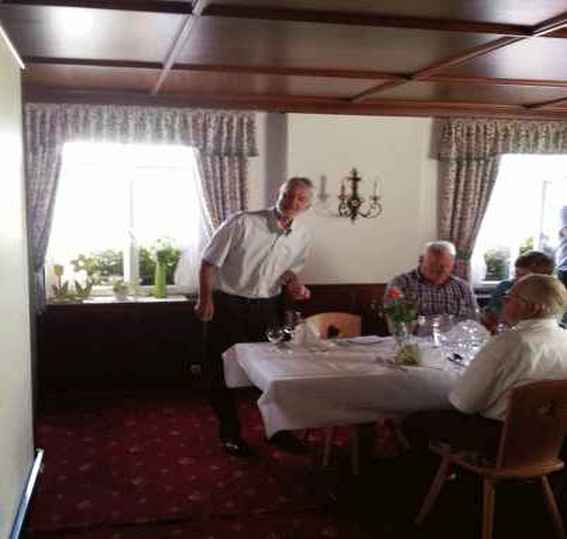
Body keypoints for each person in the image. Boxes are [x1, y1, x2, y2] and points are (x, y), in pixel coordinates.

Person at [194, 177, 313, 457]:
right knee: (220, 372)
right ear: (278, 194)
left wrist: (295, 284)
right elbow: (208, 263)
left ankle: (278, 431)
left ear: (308, 205)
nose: (292, 202)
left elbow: (289, 271)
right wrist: (205, 299)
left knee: (275, 372)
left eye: (300, 199)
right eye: (288, 195)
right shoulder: (242, 222)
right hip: (228, 305)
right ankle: (230, 434)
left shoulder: (303, 236)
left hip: (267, 308)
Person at [403, 273, 567, 457]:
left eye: (510, 298)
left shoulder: (510, 342)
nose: (504, 302)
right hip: (553, 439)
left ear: (533, 308)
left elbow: (464, 404)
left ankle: (443, 472)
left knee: (414, 421)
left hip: (504, 439)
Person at [384, 241, 479, 320]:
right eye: (434, 266)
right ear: (421, 260)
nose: (442, 271)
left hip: (455, 336)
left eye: (447, 266)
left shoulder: (463, 287)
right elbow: (394, 320)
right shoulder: (401, 283)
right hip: (416, 337)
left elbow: (474, 320)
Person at [482, 250, 554, 333]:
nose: (517, 279)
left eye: (523, 276)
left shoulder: (550, 295)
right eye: (516, 273)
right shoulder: (505, 287)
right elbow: (490, 315)